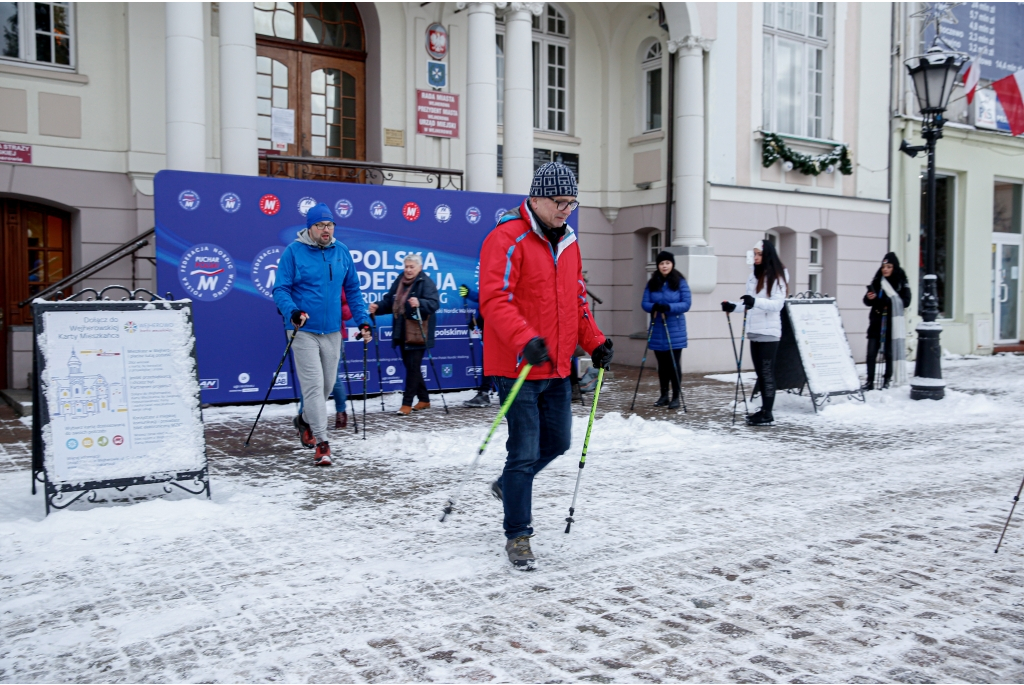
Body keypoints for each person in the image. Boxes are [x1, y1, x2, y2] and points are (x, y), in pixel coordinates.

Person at [480, 161, 613, 570]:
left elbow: (575, 301)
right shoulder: (507, 238)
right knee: (522, 452)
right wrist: (525, 340)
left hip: (556, 365)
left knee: (558, 442)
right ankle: (518, 535)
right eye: (560, 202)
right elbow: (494, 300)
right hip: (517, 364)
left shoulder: (569, 242)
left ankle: (508, 487)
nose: (566, 210)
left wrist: (594, 342)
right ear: (536, 198)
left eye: (572, 202)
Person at [273, 202, 372, 466]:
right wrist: (292, 311)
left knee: (327, 386)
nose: (326, 230)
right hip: (303, 330)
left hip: (332, 331)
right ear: (310, 228)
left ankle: (304, 420)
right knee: (314, 387)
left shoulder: (342, 252)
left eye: (330, 225)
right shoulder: (294, 252)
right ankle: (322, 443)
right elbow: (280, 289)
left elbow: (353, 291)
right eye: (320, 225)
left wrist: (363, 321)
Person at [721, 239, 788, 426]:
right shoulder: (754, 276)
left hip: (769, 332)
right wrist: (732, 306)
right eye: (754, 254)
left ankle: (768, 413)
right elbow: (748, 303)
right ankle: (764, 410)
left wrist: (754, 302)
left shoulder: (777, 277)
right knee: (760, 372)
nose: (756, 257)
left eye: (759, 254)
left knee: (766, 373)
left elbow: (777, 305)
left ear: (768, 255)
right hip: (754, 331)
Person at [369, 253, 439, 415]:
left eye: (411, 267)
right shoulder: (400, 281)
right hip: (401, 331)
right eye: (406, 266)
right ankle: (424, 399)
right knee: (411, 367)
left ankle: (406, 404)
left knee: (413, 368)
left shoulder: (425, 282)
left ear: (419, 268)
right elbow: (389, 301)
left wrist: (420, 303)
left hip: (418, 333)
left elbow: (435, 303)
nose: (408, 270)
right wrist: (378, 307)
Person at [641, 251, 692, 409]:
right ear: (658, 265)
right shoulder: (652, 282)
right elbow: (644, 303)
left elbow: (686, 304)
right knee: (662, 365)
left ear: (672, 264)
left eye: (667, 263)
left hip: (674, 329)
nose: (664, 266)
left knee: (674, 364)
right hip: (657, 330)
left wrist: (669, 307)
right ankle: (664, 395)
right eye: (662, 263)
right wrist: (654, 307)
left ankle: (676, 396)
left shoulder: (680, 281)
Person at [863, 252, 911, 390]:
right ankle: (869, 381)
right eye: (884, 266)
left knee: (889, 353)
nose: (885, 269)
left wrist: (885, 301)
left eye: (889, 266)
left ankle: (886, 380)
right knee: (871, 353)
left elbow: (906, 301)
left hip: (892, 323)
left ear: (894, 268)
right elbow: (867, 301)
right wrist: (869, 297)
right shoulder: (878, 280)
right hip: (876, 322)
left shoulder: (901, 282)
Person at [458, 283, 494, 407]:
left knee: (489, 361)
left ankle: (485, 393)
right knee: (489, 361)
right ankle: (486, 392)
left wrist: (469, 293)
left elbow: (490, 299)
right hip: (489, 328)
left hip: (495, 329)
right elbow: (485, 300)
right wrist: (477, 322)